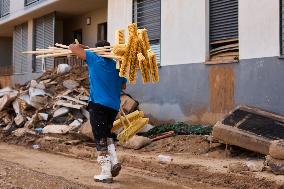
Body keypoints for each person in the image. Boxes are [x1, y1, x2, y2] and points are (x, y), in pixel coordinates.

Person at [69, 40, 127, 183]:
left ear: (98, 51)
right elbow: (124, 85)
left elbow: (72, 48)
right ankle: (114, 162)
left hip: (99, 105)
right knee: (106, 134)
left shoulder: (94, 59)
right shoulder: (116, 66)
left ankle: (106, 172)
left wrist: (87, 49)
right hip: (113, 107)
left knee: (100, 137)